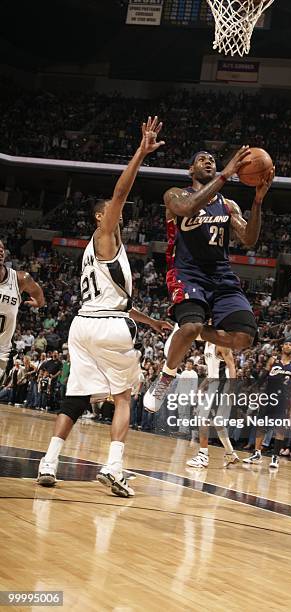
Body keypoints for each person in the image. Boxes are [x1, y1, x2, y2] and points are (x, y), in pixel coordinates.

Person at [38, 116, 172, 498]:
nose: (119, 213)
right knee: (124, 396)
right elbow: (120, 192)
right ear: (100, 217)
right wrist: (141, 152)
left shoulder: (96, 256)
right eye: (112, 211)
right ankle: (114, 466)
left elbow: (118, 302)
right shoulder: (105, 235)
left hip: (83, 325)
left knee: (76, 398)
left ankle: (49, 461)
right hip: (107, 327)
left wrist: (150, 322)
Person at [144, 148, 275, 412]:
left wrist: (258, 200)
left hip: (221, 275)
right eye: (201, 159)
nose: (208, 162)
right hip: (186, 271)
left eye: (212, 160)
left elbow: (249, 240)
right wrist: (226, 174)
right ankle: (167, 375)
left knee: (244, 338)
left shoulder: (228, 205)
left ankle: (181, 335)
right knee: (191, 327)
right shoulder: (176, 195)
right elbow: (188, 207)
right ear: (191, 170)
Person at [243, 342, 291, 470]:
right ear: (281, 347)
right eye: (285, 344)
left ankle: (275, 456)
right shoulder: (273, 360)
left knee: (279, 428)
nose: (288, 346)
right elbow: (263, 377)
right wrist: (256, 391)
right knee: (261, 425)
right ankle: (257, 453)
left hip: (283, 399)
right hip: (268, 396)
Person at [187, 340, 240, 468]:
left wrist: (231, 390)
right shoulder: (207, 345)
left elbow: (232, 366)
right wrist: (201, 386)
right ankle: (230, 453)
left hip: (221, 385)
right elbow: (212, 374)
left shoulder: (221, 344)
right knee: (217, 422)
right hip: (214, 384)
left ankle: (203, 455)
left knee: (202, 419)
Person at [0, 240, 45, 383]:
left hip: (1, 350)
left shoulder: (20, 278)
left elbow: (38, 295)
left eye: (2, 248)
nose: (1, 251)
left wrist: (39, 302)